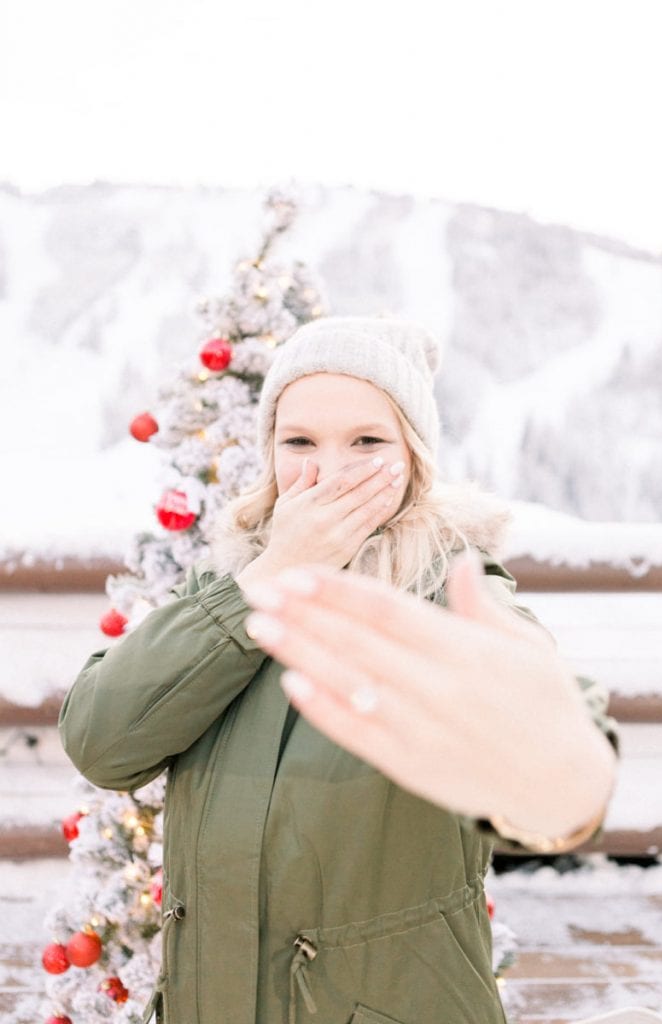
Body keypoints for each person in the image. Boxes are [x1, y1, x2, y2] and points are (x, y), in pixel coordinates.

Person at [59, 315, 619, 1024]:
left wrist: (561, 773)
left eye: (367, 441)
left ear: (413, 455)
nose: (327, 471)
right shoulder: (229, 579)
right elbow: (102, 741)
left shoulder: (446, 591)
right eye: (299, 442)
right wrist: (261, 582)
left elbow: (540, 742)